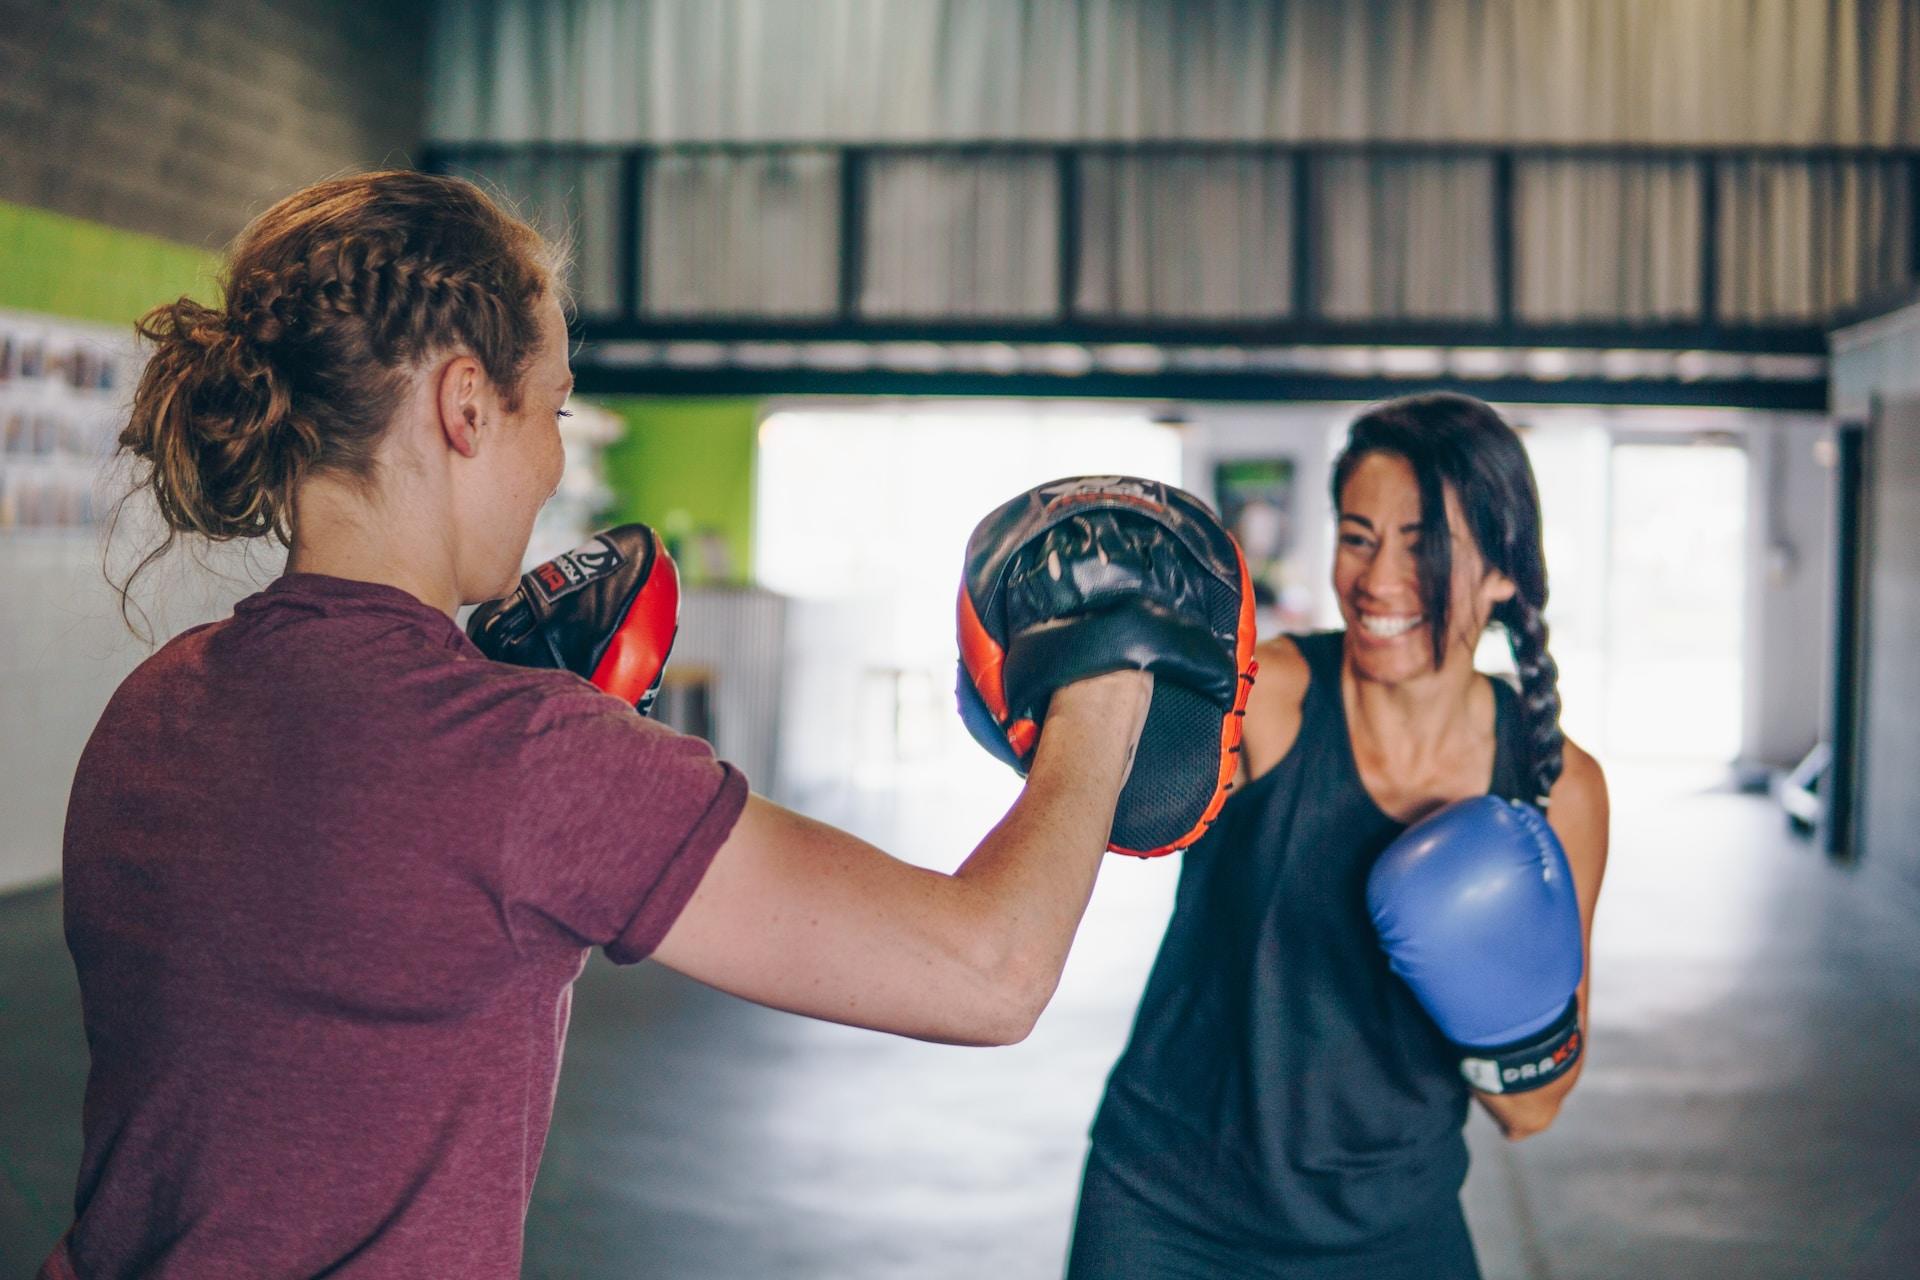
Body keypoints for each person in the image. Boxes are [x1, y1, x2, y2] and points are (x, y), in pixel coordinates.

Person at [44, 171, 1164, 1280]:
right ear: (468, 406)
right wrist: (1105, 687)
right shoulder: (522, 758)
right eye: (558, 407)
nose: (554, 460)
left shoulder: (153, 705)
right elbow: (990, 969)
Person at [1066, 393, 1610, 1279]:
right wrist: (1093, 668)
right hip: (1170, 1211)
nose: (1379, 581)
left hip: (1394, 1227)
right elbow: (1111, 781)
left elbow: (1534, 1106)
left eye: (1424, 544)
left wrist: (1484, 974)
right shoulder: (1269, 696)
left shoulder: (1558, 787)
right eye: (1359, 537)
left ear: (1504, 572)